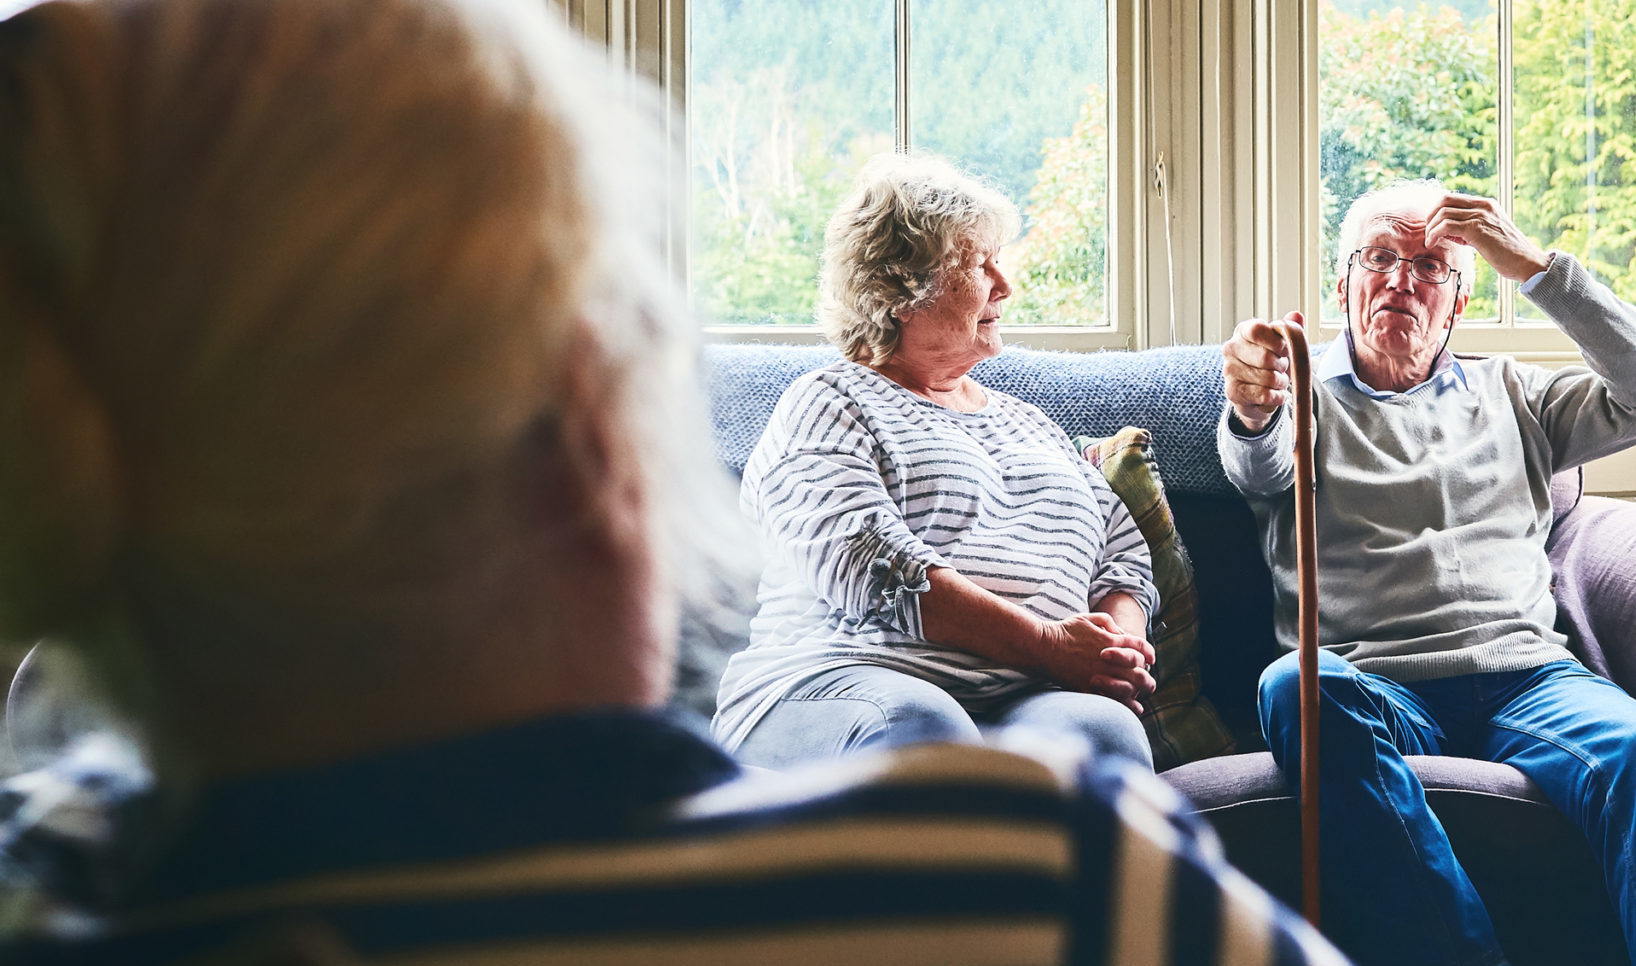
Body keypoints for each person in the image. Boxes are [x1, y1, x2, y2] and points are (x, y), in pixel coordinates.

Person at [0, 1, 1340, 963]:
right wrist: (1054, 667)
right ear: (592, 430)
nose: (1005, 288)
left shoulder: (47, 870)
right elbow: (863, 567)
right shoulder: (1042, 877)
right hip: (877, 686)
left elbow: (1113, 526)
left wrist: (1111, 619)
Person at [1220, 181, 1636, 966]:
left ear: (1459, 304)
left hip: (1526, 680)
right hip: (1376, 688)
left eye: (1431, 266)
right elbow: (1254, 461)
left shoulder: (1515, 394)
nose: (1402, 280)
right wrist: (1253, 406)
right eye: (1380, 258)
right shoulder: (1294, 394)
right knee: (1291, 685)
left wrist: (1536, 267)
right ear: (1342, 285)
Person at [709, 152, 1162, 770]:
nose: (1005, 285)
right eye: (980, 265)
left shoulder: (1030, 423)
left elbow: (1122, 554)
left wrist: (1117, 646)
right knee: (924, 731)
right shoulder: (828, 403)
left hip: (1020, 692)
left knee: (1102, 737)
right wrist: (1052, 645)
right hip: (839, 680)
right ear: (899, 291)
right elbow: (875, 567)